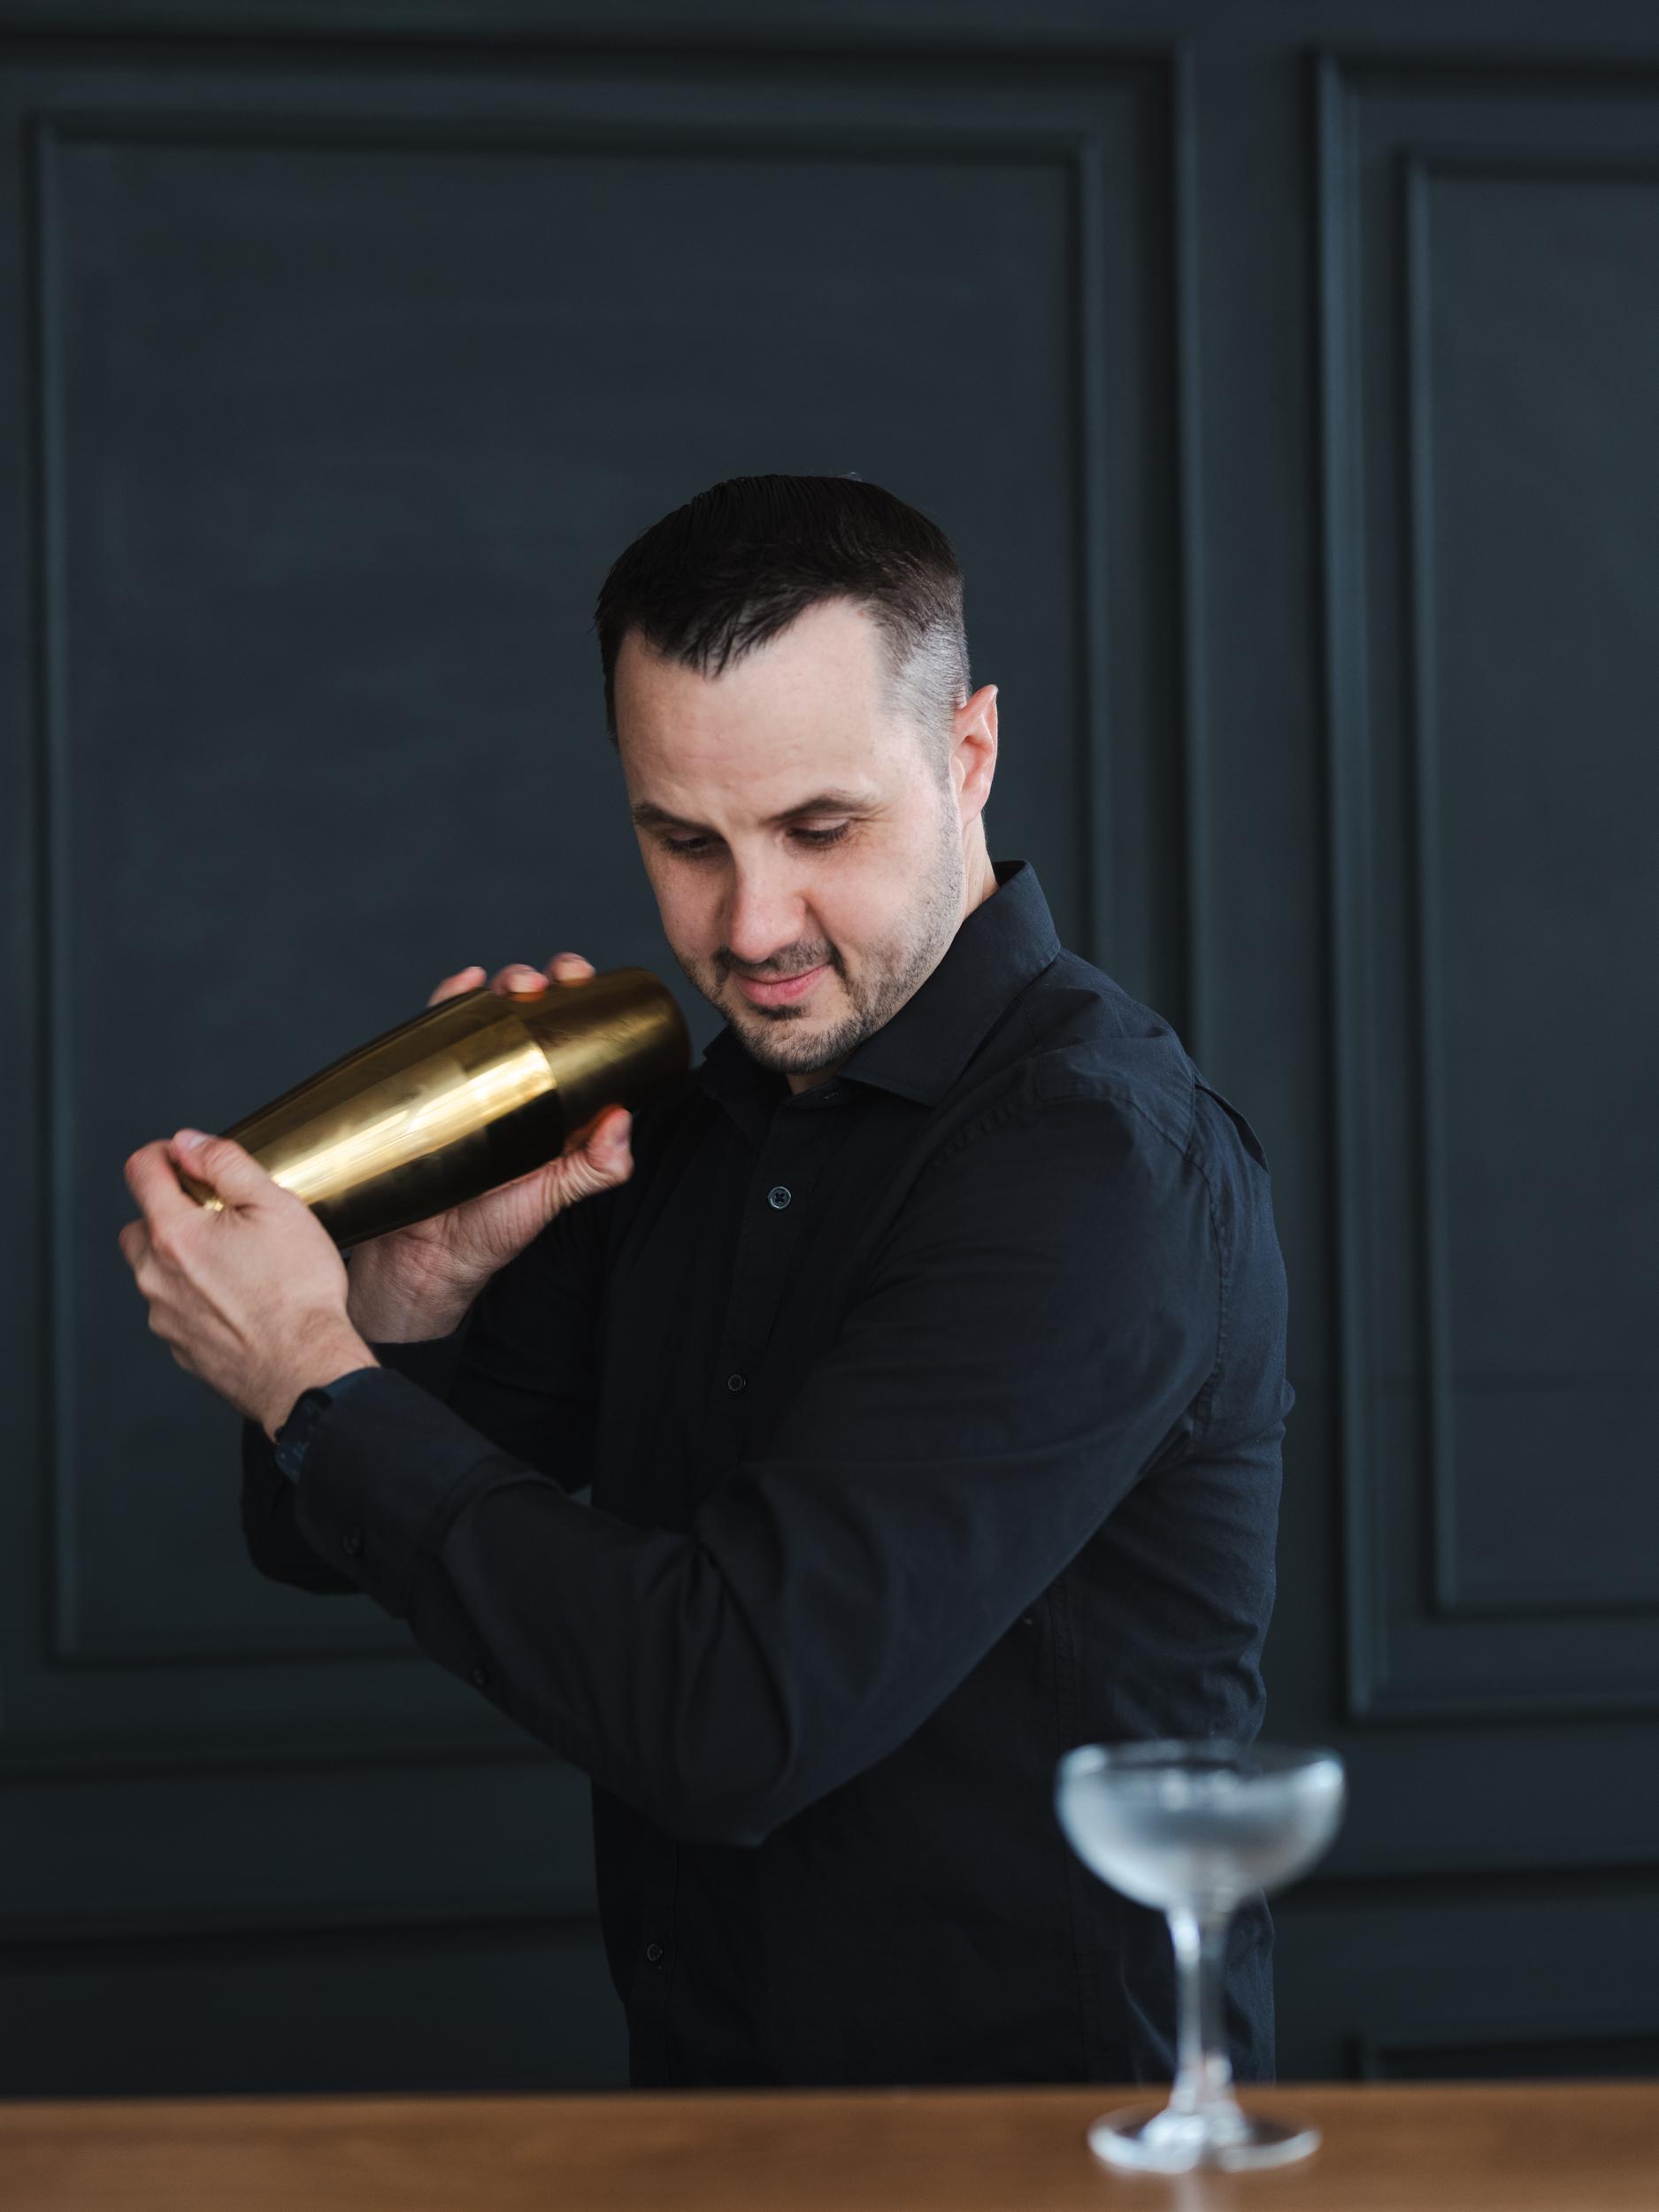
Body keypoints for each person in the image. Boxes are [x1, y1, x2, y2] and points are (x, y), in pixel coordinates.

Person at [117, 472, 1293, 2090]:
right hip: (710, 2126)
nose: (750, 926)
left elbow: (734, 1720)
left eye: (820, 829)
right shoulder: (682, 1127)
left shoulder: (1095, 1165)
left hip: (1031, 2160)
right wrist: (403, 1294)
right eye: (684, 841)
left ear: (968, 755)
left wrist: (310, 1367)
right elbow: (318, 1532)